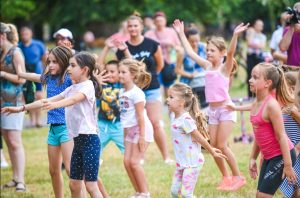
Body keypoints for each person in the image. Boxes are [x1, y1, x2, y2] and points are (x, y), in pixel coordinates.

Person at [173, 19, 248, 190]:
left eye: (212, 50)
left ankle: (238, 176)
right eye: (207, 50)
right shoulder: (207, 65)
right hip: (213, 111)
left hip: (226, 110)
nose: (208, 53)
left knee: (221, 145)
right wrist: (180, 33)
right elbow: (190, 53)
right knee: (213, 146)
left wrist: (235, 35)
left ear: (221, 53)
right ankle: (226, 177)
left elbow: (230, 53)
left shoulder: (224, 68)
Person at [2, 46, 74, 197]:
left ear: (64, 62)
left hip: (68, 128)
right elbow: (35, 76)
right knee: (53, 171)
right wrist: (20, 73)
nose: (50, 65)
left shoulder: (69, 78)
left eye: (55, 62)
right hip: (53, 129)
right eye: (49, 61)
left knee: (70, 170)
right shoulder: (50, 78)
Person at [115, 12, 174, 165]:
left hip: (151, 88)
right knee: (134, 124)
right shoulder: (122, 48)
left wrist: (149, 79)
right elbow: (122, 69)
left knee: (155, 123)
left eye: (135, 25)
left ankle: (166, 157)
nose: (133, 28)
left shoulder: (152, 44)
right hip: (132, 91)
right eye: (130, 26)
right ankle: (139, 157)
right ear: (127, 28)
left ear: (141, 27)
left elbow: (160, 65)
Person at [42, 52, 102, 197]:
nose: (68, 68)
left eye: (73, 65)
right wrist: (21, 108)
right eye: (69, 65)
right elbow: (48, 100)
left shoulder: (87, 87)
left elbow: (74, 100)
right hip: (77, 142)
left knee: (91, 185)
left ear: (85, 70)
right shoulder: (71, 88)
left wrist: (54, 105)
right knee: (74, 184)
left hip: (90, 141)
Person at [166, 82, 227, 198]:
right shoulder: (174, 117)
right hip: (181, 163)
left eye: (171, 97)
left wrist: (212, 151)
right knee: (174, 192)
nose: (167, 100)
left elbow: (198, 136)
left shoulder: (185, 120)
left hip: (192, 162)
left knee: (186, 194)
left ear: (181, 102)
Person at [247, 63, 297, 197]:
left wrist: (287, 165)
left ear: (267, 83)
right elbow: (259, 135)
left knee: (262, 196)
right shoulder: (255, 104)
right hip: (270, 156)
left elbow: (281, 136)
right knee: (260, 194)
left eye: (255, 77)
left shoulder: (272, 105)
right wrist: (253, 157)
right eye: (251, 76)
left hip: (281, 155)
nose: (250, 80)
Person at [118, 58, 154, 198]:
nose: (120, 75)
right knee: (127, 162)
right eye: (119, 72)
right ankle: (138, 192)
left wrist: (142, 137)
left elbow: (140, 117)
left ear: (132, 75)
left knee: (134, 162)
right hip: (130, 131)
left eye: (123, 72)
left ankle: (145, 193)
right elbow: (126, 117)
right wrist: (125, 134)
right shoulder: (122, 92)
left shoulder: (137, 93)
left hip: (141, 130)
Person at [0, 22, 26, 192]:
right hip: (3, 104)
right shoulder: (2, 53)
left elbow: (22, 78)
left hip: (15, 103)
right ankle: (15, 178)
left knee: (15, 142)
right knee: (8, 142)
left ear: (2, 36)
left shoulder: (15, 52)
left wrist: (2, 73)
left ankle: (22, 181)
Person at [145, 11, 181, 98]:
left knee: (169, 87)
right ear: (154, 22)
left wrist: (171, 45)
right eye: (157, 21)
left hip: (168, 62)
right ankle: (158, 107)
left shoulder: (171, 32)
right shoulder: (149, 34)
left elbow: (178, 47)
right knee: (157, 85)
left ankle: (170, 108)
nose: (160, 23)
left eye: (161, 20)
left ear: (165, 21)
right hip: (154, 63)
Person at [93, 60, 125, 157]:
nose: (109, 74)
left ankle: (135, 165)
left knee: (128, 150)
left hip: (119, 125)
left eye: (112, 72)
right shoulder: (101, 85)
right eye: (107, 72)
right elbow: (97, 65)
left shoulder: (123, 85)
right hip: (102, 125)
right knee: (95, 151)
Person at [19, 26, 47, 127]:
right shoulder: (19, 46)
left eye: (26, 34)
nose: (24, 36)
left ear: (30, 34)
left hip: (37, 70)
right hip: (25, 73)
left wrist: (45, 71)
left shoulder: (38, 45)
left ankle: (38, 120)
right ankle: (32, 120)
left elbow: (44, 58)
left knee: (39, 96)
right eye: (23, 34)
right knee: (29, 96)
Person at [175, 27, 208, 109]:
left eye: (197, 40)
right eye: (192, 41)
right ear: (187, 40)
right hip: (189, 83)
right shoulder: (182, 52)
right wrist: (190, 75)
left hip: (203, 82)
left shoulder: (204, 47)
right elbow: (177, 70)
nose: (195, 43)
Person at [279, 71, 300, 198]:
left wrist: (293, 112)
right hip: (289, 148)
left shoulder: (295, 105)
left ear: (292, 88)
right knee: (293, 184)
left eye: (281, 87)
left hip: (297, 149)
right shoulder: (283, 105)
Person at [246, 19, 267, 97]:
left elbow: (262, 46)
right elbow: (249, 43)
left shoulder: (263, 36)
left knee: (258, 74)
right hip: (250, 56)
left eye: (260, 25)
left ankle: (258, 93)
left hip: (258, 57)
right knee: (250, 74)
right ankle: (250, 95)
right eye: (257, 25)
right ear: (254, 25)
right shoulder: (250, 32)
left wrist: (253, 45)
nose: (259, 27)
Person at [279, 2, 300, 67]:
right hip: (293, 70)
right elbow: (283, 48)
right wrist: (292, 26)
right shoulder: (288, 29)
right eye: (297, 13)